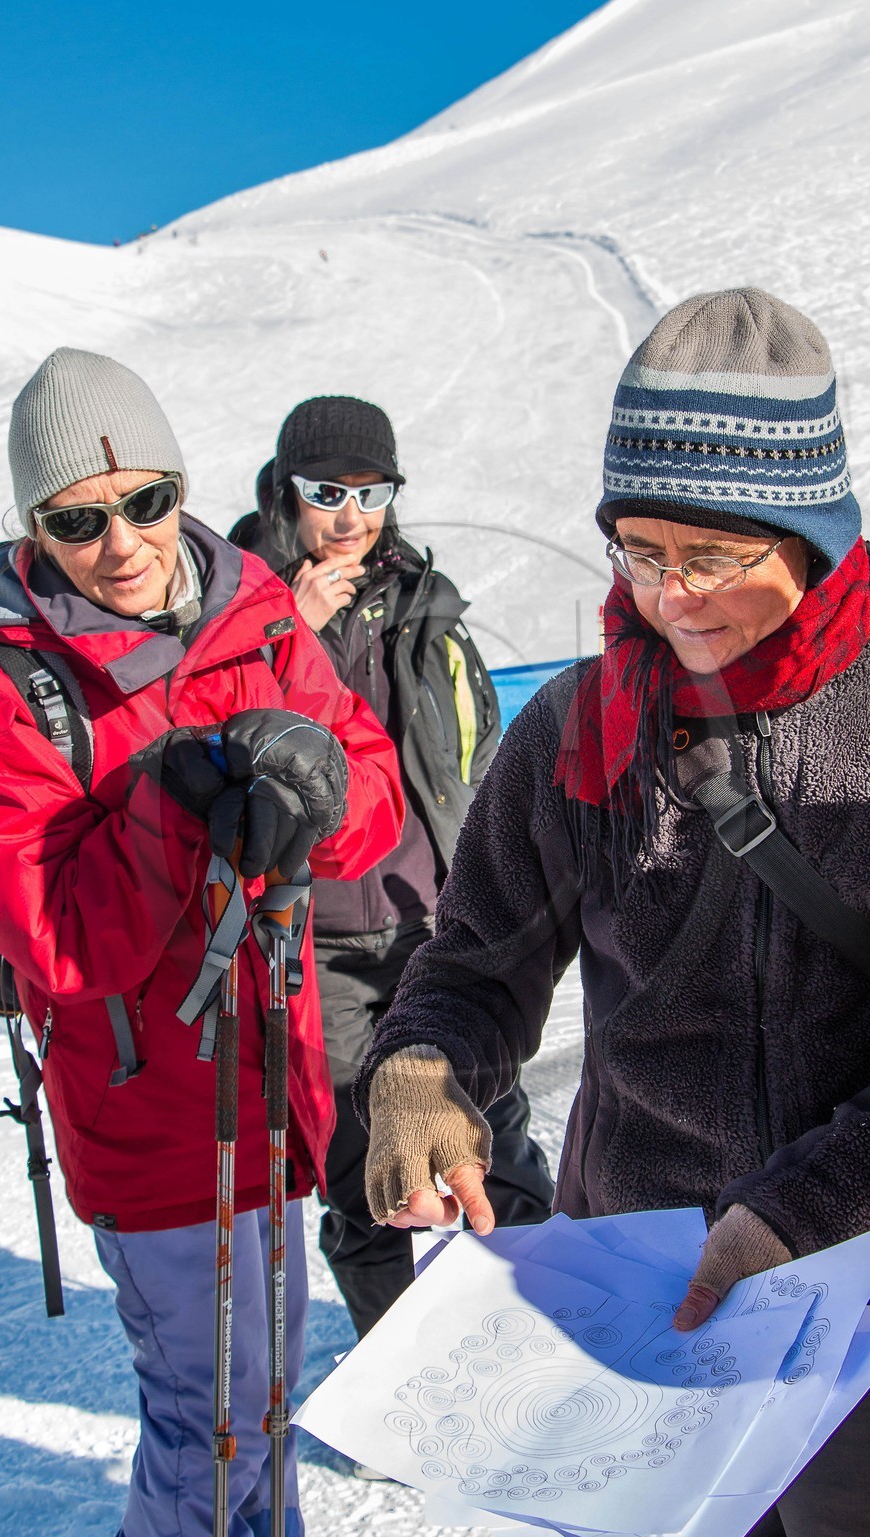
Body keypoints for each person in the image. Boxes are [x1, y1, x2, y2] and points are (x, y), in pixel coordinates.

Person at [355, 289, 870, 1537]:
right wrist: (423, 1069)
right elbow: (472, 959)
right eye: (637, 551)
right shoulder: (581, 725)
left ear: (804, 531)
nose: (667, 597)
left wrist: (796, 1214)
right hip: (648, 1298)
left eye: (708, 554)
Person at [0, 349, 404, 1537]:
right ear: (32, 526)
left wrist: (314, 777)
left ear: (181, 487)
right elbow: (60, 939)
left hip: (273, 1076)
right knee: (214, 1407)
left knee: (273, 1385)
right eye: (77, 521)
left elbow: (369, 813)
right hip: (144, 1105)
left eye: (145, 501)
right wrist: (163, 803)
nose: (121, 543)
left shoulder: (258, 613)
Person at [229, 396, 554, 1349]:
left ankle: (543, 1349)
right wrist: (282, 630)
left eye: (372, 493)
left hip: (429, 922)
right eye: (326, 492)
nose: (350, 517)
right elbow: (212, 746)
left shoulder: (424, 604)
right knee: (366, 1172)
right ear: (282, 491)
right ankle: (404, 1392)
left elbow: (476, 755)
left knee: (491, 1132)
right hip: (309, 938)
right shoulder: (233, 608)